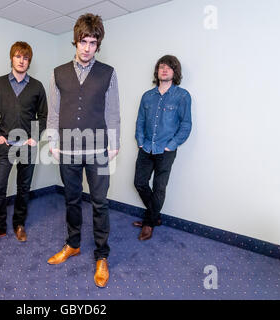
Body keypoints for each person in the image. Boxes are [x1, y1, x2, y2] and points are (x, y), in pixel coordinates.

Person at [46, 14, 120, 288]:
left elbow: (113, 111)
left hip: (99, 148)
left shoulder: (108, 73)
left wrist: (114, 143)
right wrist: (52, 142)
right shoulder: (58, 73)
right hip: (68, 149)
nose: (87, 47)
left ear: (98, 44)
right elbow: (53, 112)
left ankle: (101, 255)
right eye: (83, 41)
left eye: (93, 42)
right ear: (75, 41)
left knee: (100, 202)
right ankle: (73, 244)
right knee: (72, 199)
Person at [0, 41, 48, 245]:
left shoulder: (37, 86)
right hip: (5, 146)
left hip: (27, 147)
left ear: (29, 61)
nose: (21, 61)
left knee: (23, 188)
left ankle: (19, 225)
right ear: (12, 58)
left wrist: (34, 138)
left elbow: (43, 116)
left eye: (25, 58)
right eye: (18, 56)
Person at [133, 55, 192, 241]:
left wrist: (171, 145)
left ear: (175, 72)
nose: (164, 70)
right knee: (139, 182)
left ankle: (149, 223)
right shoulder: (147, 96)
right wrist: (140, 141)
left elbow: (186, 124)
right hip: (146, 147)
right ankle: (154, 216)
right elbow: (140, 121)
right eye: (161, 67)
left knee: (159, 187)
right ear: (157, 71)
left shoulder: (182, 96)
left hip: (166, 150)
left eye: (169, 67)